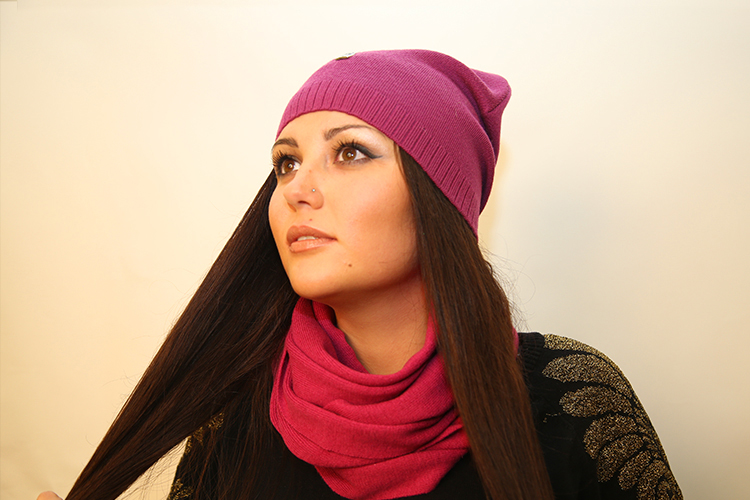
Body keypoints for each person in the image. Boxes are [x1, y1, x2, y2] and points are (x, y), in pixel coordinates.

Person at [38, 50, 681, 500]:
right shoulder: (238, 413)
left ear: (437, 199)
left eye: (349, 152)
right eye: (286, 163)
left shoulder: (571, 398)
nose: (297, 189)